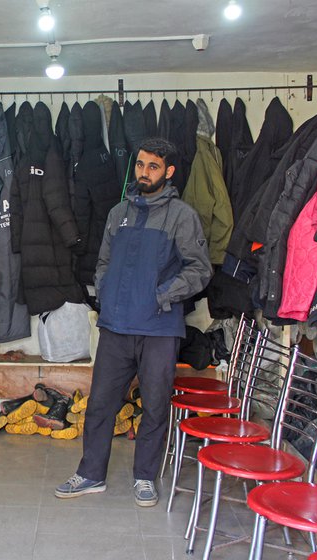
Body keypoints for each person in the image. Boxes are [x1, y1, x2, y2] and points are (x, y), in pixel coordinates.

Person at [55, 138, 211, 506]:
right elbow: (104, 262)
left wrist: (161, 295)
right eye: (141, 165)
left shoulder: (182, 217)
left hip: (159, 329)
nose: (144, 172)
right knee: (100, 405)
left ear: (169, 172)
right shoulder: (117, 213)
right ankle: (91, 473)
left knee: (155, 406)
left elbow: (200, 269)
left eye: (153, 167)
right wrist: (107, 294)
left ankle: (145, 477)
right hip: (116, 328)